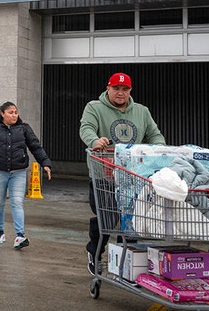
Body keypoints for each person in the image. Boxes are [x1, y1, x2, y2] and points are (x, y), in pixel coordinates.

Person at [79, 72, 165, 274]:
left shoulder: (141, 111)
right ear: (108, 88)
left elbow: (155, 134)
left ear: (130, 91)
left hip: (134, 177)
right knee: (106, 219)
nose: (120, 93)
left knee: (132, 221)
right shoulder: (94, 107)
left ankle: (125, 262)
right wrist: (94, 141)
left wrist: (159, 148)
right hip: (104, 176)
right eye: (116, 88)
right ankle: (95, 252)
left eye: (124, 89)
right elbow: (87, 128)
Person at [0, 102, 51, 250]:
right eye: (10, 112)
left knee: (17, 202)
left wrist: (45, 162)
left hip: (18, 172)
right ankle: (0, 232)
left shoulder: (24, 128)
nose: (14, 115)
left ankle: (20, 236)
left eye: (16, 112)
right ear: (2, 113)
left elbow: (35, 146)